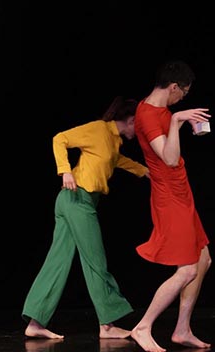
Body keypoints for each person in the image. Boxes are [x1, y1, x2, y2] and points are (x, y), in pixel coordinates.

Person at [22, 96, 149, 339]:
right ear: (132, 120)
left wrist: (143, 171)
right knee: (95, 260)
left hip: (75, 201)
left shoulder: (113, 140)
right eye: (140, 125)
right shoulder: (99, 129)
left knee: (58, 261)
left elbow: (116, 160)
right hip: (77, 199)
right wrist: (65, 171)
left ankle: (35, 323)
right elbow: (60, 138)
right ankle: (107, 325)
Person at [129, 60, 212, 352]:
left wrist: (178, 122)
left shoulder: (161, 111)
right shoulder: (148, 115)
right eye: (183, 93)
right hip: (169, 197)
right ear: (174, 87)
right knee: (187, 269)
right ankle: (143, 327)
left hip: (181, 192)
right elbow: (168, 158)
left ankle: (182, 329)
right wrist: (177, 121)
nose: (182, 99)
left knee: (203, 259)